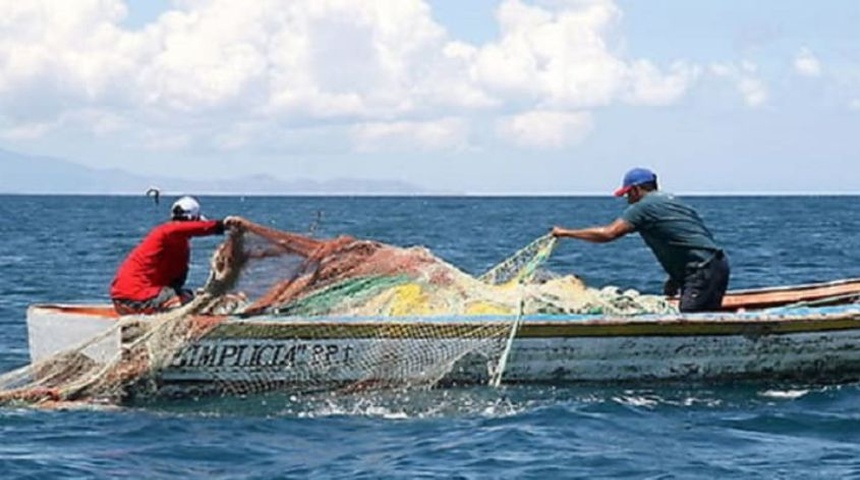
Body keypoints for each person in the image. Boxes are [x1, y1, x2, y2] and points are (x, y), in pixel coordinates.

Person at [551, 168, 730, 312]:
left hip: (701, 270)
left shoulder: (644, 207)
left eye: (628, 194)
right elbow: (688, 239)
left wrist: (565, 232)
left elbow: (609, 233)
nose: (628, 200)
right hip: (716, 264)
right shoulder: (674, 202)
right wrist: (675, 278)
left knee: (691, 323)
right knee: (704, 315)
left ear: (636, 190)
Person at [109, 195, 246, 315]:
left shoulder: (177, 243)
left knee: (190, 297)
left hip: (130, 297)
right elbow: (188, 228)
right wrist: (222, 225)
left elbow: (175, 282)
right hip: (133, 298)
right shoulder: (167, 232)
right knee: (189, 303)